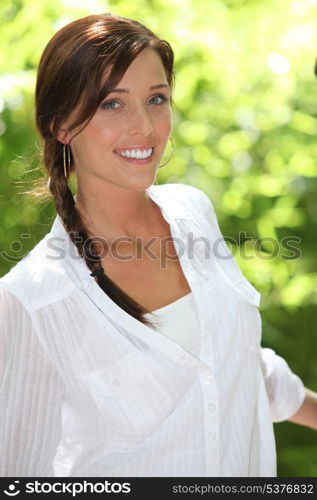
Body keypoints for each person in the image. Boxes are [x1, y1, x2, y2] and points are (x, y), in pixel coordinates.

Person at [0, 12, 316, 478]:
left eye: (156, 99)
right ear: (61, 125)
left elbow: (234, 362)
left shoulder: (193, 215)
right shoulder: (34, 298)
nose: (145, 128)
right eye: (112, 103)